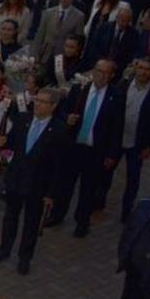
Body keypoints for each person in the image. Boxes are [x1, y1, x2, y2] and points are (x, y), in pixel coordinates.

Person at [0, 87, 67, 274]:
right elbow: (13, 142)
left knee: (31, 222)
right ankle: (4, 249)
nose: (37, 104)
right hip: (16, 178)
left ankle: (25, 257)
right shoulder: (23, 120)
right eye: (37, 100)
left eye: (42, 102)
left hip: (38, 185)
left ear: (53, 106)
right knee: (10, 217)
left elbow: (59, 166)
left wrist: (51, 194)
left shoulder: (59, 130)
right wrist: (2, 142)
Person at [56, 58, 122, 238]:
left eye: (105, 73)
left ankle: (82, 222)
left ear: (111, 76)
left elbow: (117, 128)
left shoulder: (115, 97)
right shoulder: (79, 90)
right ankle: (58, 214)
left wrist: (111, 154)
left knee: (88, 189)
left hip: (95, 150)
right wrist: (67, 118)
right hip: (74, 146)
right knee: (65, 184)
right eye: (98, 71)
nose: (100, 76)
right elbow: (62, 112)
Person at [103, 58, 150, 222]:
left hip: (138, 143)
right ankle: (99, 202)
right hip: (117, 139)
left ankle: (126, 211)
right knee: (105, 173)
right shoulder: (123, 85)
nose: (143, 72)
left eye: (147, 69)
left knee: (132, 179)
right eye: (140, 68)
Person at [33, 0, 87, 65]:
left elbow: (78, 39)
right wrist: (35, 55)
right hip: (45, 54)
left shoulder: (79, 16)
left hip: (63, 57)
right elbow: (40, 34)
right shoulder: (49, 13)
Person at [87, 5, 140, 73]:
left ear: (130, 21)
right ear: (117, 17)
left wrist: (116, 65)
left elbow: (131, 54)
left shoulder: (134, 34)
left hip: (117, 69)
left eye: (126, 21)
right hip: (98, 64)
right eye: (121, 19)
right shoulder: (104, 27)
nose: (122, 23)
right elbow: (93, 46)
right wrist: (102, 62)